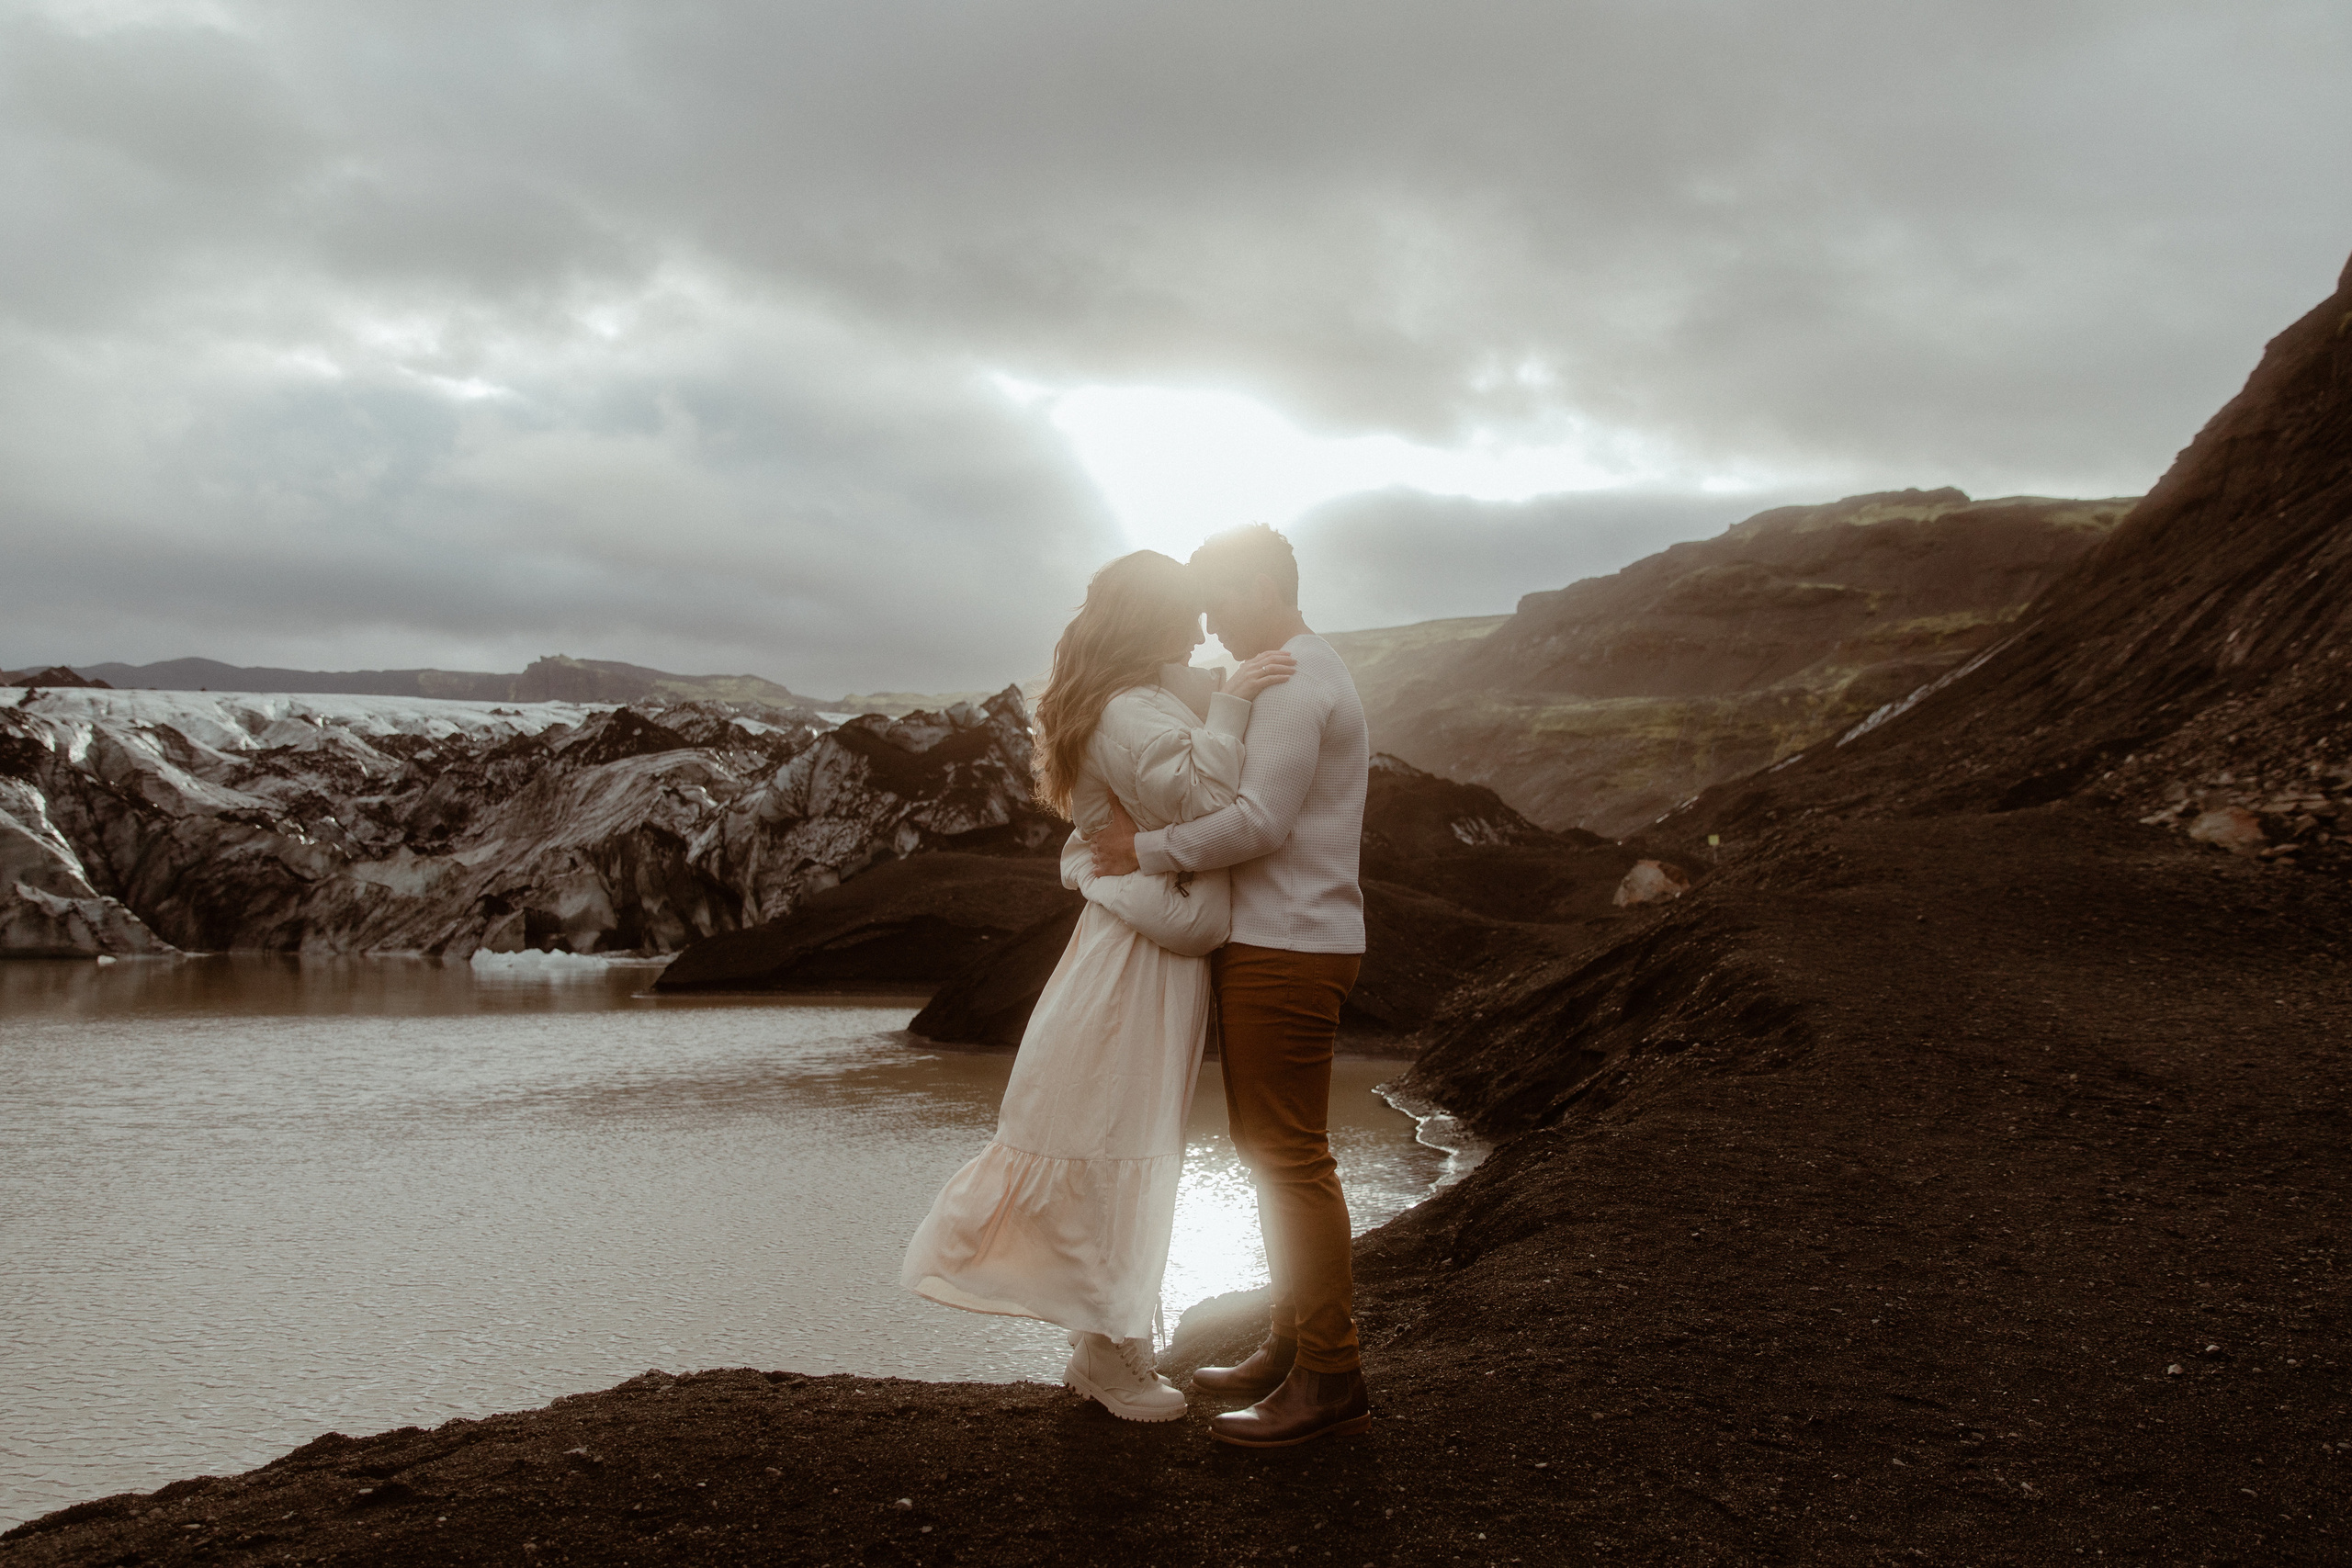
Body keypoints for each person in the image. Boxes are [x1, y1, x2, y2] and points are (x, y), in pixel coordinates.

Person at [900, 548, 1297, 1422]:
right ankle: (1113, 1358)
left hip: (1142, 957)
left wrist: (1221, 690)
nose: (1199, 634)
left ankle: (1105, 1346)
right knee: (1120, 1140)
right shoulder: (1125, 708)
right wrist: (1232, 700)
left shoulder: (1131, 698)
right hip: (1132, 968)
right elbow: (1201, 794)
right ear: (1149, 621)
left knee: (1132, 1140)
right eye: (1187, 618)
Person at [1091, 523, 1372, 1450]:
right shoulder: (1300, 668)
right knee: (1270, 1151)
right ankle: (1293, 1346)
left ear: (1260, 584)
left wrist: (1146, 850)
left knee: (1289, 1156)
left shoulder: (1294, 678)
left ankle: (1328, 1374)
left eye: (1217, 602)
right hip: (1282, 941)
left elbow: (1257, 820)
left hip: (1288, 946)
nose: (1208, 627)